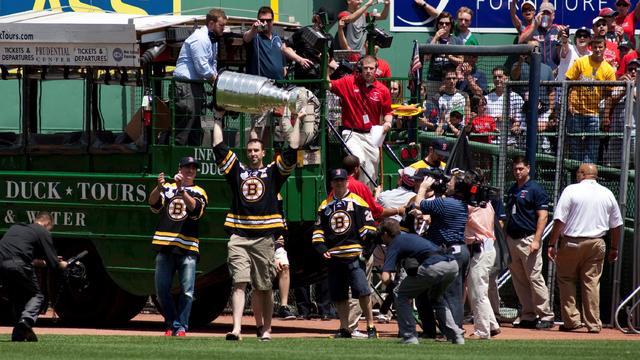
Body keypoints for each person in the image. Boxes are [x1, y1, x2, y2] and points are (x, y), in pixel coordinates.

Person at [213, 132, 296, 341]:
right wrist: (216, 117)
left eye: (256, 150)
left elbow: (292, 151)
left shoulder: (272, 173)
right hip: (238, 236)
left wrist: (297, 121)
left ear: (263, 153)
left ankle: (266, 329)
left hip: (264, 238)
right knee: (239, 283)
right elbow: (219, 147)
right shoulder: (237, 171)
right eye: (249, 151)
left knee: (264, 286)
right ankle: (237, 329)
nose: (252, 154)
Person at [548, 164, 623, 333]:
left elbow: (559, 219)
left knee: (567, 279)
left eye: (578, 172)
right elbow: (617, 225)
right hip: (597, 243)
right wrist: (614, 247)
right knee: (591, 283)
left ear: (582, 174)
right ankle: (593, 324)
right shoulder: (607, 193)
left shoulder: (571, 190)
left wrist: (552, 243)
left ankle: (572, 321)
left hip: (572, 242)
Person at [313, 168, 378, 339]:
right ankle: (344, 328)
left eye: (342, 180)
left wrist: (366, 250)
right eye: (336, 181)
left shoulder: (358, 202)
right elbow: (318, 231)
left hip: (354, 255)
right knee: (339, 295)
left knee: (363, 291)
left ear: (347, 182)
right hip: (334, 256)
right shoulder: (324, 205)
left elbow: (370, 230)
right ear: (331, 183)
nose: (339, 183)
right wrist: (322, 249)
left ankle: (371, 326)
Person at [378, 218, 463, 345]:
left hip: (434, 266)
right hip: (452, 265)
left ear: (385, 234)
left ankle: (409, 336)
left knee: (400, 294)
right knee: (436, 299)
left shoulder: (394, 243)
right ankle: (456, 336)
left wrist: (391, 287)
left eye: (381, 235)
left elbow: (385, 277)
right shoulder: (410, 236)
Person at [149, 156, 208, 336]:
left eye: (193, 168)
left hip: (188, 247)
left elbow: (195, 210)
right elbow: (153, 204)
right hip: (165, 245)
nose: (190, 171)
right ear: (179, 168)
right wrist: (158, 188)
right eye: (186, 167)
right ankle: (171, 322)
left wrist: (182, 190)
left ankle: (181, 326)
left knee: (187, 291)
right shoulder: (168, 188)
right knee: (161, 290)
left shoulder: (200, 191)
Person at [413, 171, 470, 329]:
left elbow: (419, 204)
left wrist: (423, 187)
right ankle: (449, 329)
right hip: (460, 250)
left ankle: (454, 331)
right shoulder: (460, 203)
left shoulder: (446, 203)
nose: (448, 184)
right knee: (452, 293)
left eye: (451, 182)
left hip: (450, 252)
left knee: (450, 294)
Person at [504, 156, 554, 330]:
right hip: (512, 239)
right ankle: (528, 315)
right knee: (519, 280)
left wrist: (537, 240)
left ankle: (546, 315)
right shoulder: (512, 189)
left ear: (528, 168)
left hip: (528, 238)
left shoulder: (535, 189)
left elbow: (543, 216)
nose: (518, 172)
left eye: (520, 169)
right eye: (515, 169)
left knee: (534, 277)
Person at [0, 212, 68, 342]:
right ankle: (26, 320)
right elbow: (54, 264)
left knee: (17, 299)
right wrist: (62, 264)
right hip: (18, 264)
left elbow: (25, 255)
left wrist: (43, 262)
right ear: (47, 223)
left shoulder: (16, 228)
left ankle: (18, 334)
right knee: (37, 295)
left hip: (2, 264)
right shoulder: (42, 231)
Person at [329, 55, 393, 189]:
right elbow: (328, 84)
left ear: (376, 69)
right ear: (360, 68)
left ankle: (367, 200)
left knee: (372, 173)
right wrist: (327, 67)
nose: (368, 71)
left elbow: (388, 112)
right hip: (351, 133)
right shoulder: (348, 82)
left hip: (372, 135)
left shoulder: (383, 90)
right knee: (359, 160)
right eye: (365, 68)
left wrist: (388, 123)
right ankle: (357, 194)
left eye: (371, 68)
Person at [172, 9, 227, 146]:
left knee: (196, 124)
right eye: (221, 25)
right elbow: (202, 67)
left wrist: (215, 80)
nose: (223, 28)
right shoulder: (200, 38)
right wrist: (217, 83)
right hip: (185, 84)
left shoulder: (212, 40)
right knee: (186, 120)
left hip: (195, 84)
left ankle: (192, 159)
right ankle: (177, 157)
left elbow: (212, 64)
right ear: (211, 23)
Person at [565, 36, 616, 164]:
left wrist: (605, 116)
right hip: (576, 112)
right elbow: (568, 83)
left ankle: (587, 176)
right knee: (575, 148)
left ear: (605, 48)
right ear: (591, 47)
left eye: (600, 47)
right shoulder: (581, 62)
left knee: (592, 149)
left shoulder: (608, 70)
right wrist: (568, 104)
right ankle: (575, 177)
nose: (598, 49)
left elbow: (609, 95)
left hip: (594, 114)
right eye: (595, 47)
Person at [464, 171, 501, 339]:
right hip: (485, 249)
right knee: (477, 290)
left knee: (478, 292)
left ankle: (482, 331)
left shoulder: (473, 206)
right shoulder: (485, 202)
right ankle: (492, 325)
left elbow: (466, 212)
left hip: (481, 249)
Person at [518, 2, 565, 71]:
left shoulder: (558, 29)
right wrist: (535, 26)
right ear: (539, 15)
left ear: (553, 16)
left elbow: (566, 53)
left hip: (556, 71)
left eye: (548, 13)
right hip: (537, 71)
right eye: (543, 13)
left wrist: (563, 38)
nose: (545, 16)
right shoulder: (532, 28)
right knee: (534, 44)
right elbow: (520, 41)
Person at [485, 66, 525, 146]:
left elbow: (520, 120)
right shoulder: (487, 98)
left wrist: (507, 118)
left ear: (507, 78)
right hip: (491, 142)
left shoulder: (516, 97)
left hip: (510, 142)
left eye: (500, 76)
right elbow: (483, 119)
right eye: (495, 77)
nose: (497, 79)